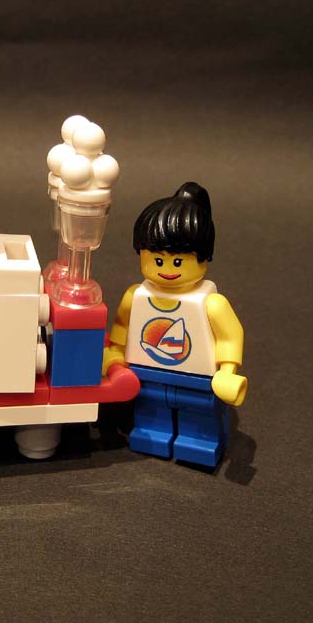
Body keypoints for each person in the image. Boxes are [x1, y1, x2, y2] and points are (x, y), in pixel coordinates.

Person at [103, 182, 247, 467]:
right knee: (150, 411)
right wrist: (115, 354)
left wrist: (227, 371)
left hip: (199, 379)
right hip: (147, 373)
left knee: (199, 413)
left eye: (178, 262)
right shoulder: (135, 296)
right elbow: (122, 327)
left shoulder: (211, 304)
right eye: (157, 260)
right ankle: (154, 437)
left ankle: (200, 444)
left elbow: (230, 336)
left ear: (203, 258)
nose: (167, 269)